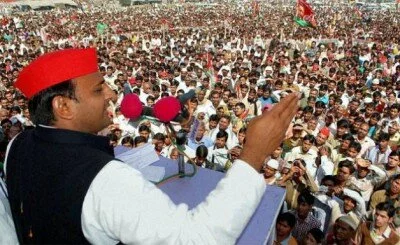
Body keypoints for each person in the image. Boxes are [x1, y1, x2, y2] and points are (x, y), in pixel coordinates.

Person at [4, 48, 299, 244]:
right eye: (98, 88)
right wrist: (252, 156)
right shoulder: (108, 182)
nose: (110, 92)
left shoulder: (17, 144)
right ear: (64, 106)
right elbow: (197, 239)